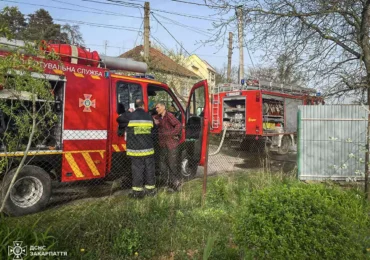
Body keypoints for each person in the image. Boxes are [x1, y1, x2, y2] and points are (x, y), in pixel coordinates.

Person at [126, 100, 156, 198]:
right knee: (149, 169)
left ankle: (137, 192)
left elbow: (120, 121)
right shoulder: (149, 116)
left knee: (137, 170)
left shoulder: (130, 116)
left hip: (135, 150)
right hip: (148, 149)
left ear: (134, 106)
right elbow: (154, 130)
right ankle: (150, 190)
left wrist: (128, 112)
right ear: (143, 106)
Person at [153, 102, 182, 191]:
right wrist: (153, 120)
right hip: (163, 144)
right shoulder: (158, 117)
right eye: (156, 108)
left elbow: (178, 125)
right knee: (163, 164)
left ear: (163, 107)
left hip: (171, 144)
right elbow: (153, 118)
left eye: (158, 107)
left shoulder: (169, 116)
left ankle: (176, 184)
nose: (156, 109)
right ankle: (169, 183)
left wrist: (170, 134)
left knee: (172, 164)